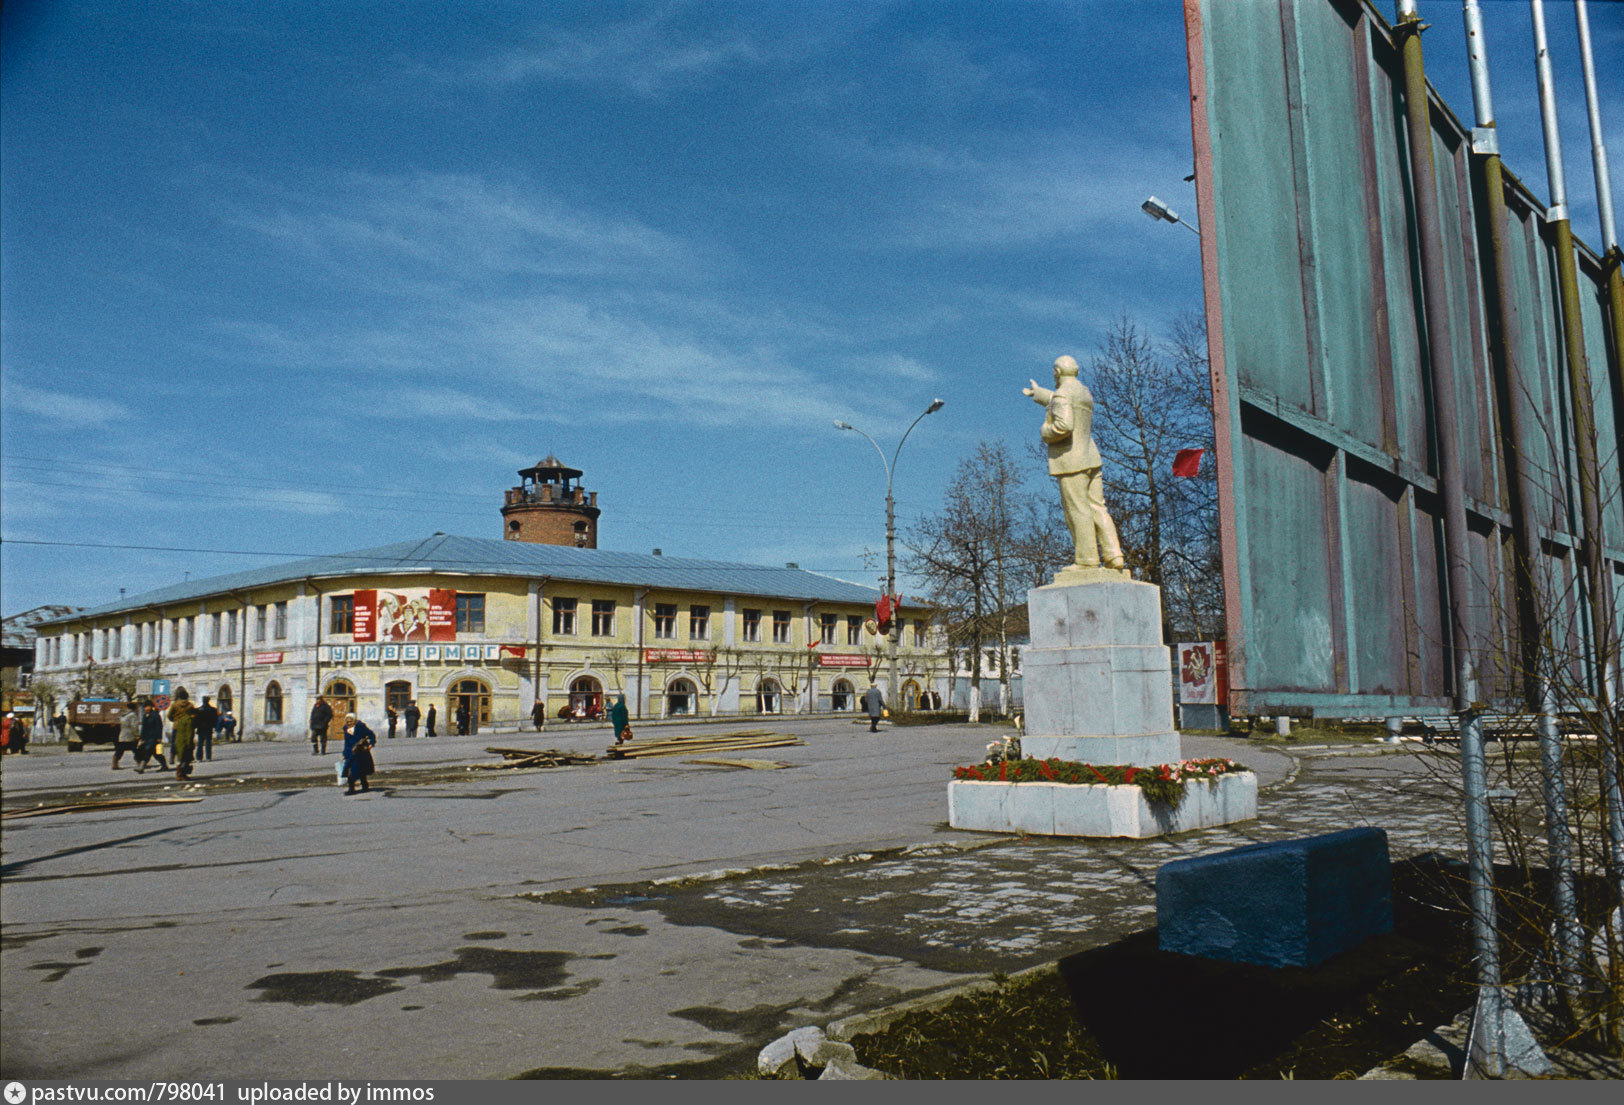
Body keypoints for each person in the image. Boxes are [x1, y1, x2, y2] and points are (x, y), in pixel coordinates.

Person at [1023, 355, 1125, 573]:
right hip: (1090, 457)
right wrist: (1039, 393)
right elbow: (1061, 401)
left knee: (1077, 510)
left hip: (1071, 460)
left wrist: (1045, 432)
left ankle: (1087, 560)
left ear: (1057, 372)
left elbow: (1064, 425)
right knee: (1098, 507)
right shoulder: (1083, 392)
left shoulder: (1062, 394)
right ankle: (1114, 555)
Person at [341, 713, 377, 795]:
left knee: (360, 769)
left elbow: (371, 734)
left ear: (354, 720)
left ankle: (363, 786)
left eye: (350, 721)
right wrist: (344, 753)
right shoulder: (346, 729)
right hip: (351, 752)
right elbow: (346, 743)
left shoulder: (361, 727)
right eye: (347, 721)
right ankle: (352, 788)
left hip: (361, 752)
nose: (349, 723)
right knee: (352, 770)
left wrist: (371, 743)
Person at [168, 689, 196, 780]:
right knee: (187, 748)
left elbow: (169, 715)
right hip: (188, 727)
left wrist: (175, 720)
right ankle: (183, 772)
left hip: (176, 727)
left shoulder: (175, 705)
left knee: (176, 745)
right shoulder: (190, 705)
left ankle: (172, 756)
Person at [135, 701, 169, 773]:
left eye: (147, 706)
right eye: (145, 707)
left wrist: (159, 737)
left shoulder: (155, 715)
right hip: (147, 738)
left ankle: (142, 767)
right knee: (154, 753)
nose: (146, 708)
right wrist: (141, 737)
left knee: (150, 752)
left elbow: (159, 727)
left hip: (154, 737)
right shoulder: (145, 715)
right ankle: (164, 765)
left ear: (151, 707)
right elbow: (144, 728)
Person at [113, 700, 140, 769]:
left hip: (122, 735)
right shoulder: (133, 715)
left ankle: (115, 764)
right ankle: (140, 763)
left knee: (120, 750)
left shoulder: (123, 715)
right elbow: (134, 726)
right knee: (136, 750)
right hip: (130, 735)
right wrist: (137, 734)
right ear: (134, 708)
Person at [193, 696, 219, 763]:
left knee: (200, 743)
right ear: (208, 700)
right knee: (208, 743)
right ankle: (208, 757)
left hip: (200, 728)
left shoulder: (198, 710)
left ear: (203, 701)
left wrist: (196, 726)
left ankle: (199, 758)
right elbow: (215, 719)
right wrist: (214, 726)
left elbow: (196, 720)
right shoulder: (213, 710)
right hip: (208, 728)